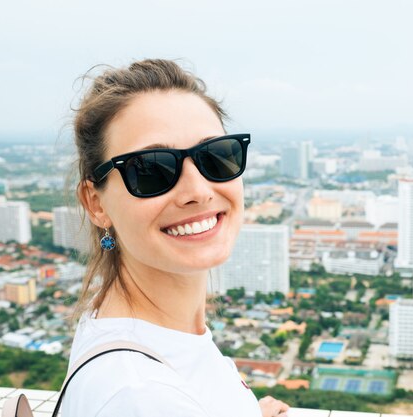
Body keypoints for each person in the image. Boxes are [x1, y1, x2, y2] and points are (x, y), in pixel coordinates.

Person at [64, 59, 290, 417]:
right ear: (96, 203)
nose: (198, 191)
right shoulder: (140, 395)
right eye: (151, 169)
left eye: (216, 156)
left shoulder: (137, 329)